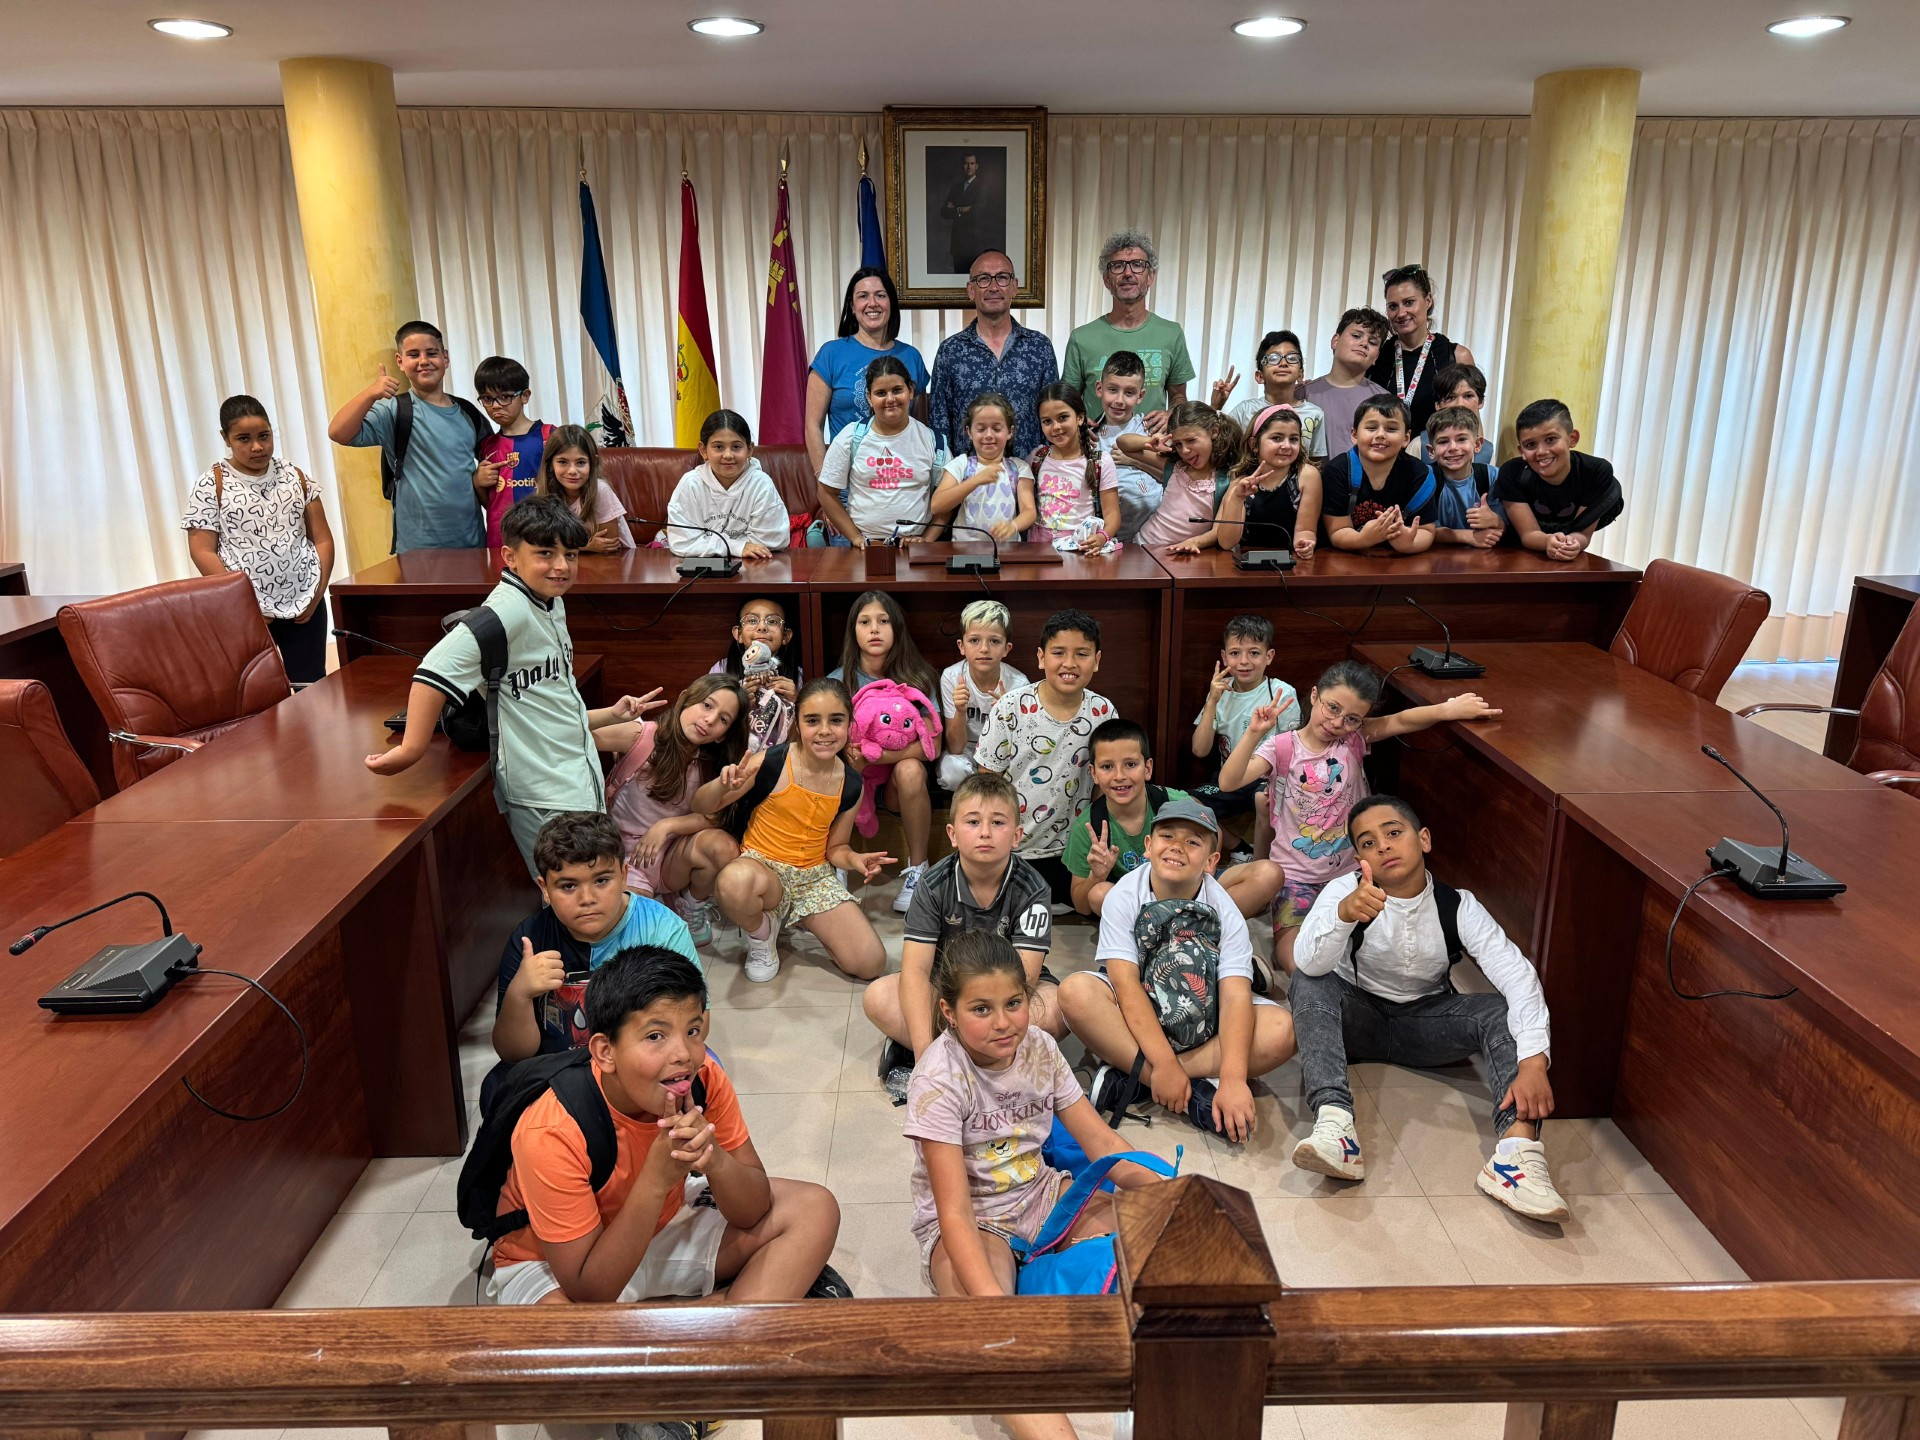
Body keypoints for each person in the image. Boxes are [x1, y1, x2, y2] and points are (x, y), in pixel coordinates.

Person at [487, 947, 842, 1323]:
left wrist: (716, 1160)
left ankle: (689, 1326)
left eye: (692, 1030)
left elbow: (753, 1211)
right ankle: (722, 1319)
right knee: (573, 1336)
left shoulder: (703, 1081)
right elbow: (589, 1290)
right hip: (552, 1264)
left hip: (659, 1225)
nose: (684, 1054)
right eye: (655, 1035)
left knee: (814, 1207)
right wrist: (656, 1181)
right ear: (605, 1052)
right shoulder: (552, 1129)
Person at [905, 932, 1165, 1440]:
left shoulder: (1041, 1047)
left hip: (1044, 1196)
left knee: (1167, 1243)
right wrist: (993, 1308)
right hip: (975, 1221)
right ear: (948, 1011)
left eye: (1014, 1003)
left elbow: (1100, 1144)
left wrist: (1164, 1198)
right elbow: (954, 1212)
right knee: (995, 1342)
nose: (1003, 1022)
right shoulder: (936, 1080)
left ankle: (1150, 1396)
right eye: (981, 1008)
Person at [1292, 794, 1568, 1223]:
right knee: (1310, 980)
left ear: (1423, 840)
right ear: (1358, 858)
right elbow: (1307, 962)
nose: (1382, 846)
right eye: (1367, 843)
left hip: (1426, 1024)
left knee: (1497, 1009)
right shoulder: (1345, 891)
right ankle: (1335, 1125)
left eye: (1393, 833)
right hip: (1358, 1017)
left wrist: (1533, 1061)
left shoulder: (1458, 905)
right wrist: (1345, 915)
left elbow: (1517, 974)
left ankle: (1516, 1155)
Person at [366, 496, 650, 877]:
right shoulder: (506, 611)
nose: (562, 566)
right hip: (543, 789)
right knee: (578, 892)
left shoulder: (549, 600)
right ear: (510, 556)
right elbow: (432, 672)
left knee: (591, 888)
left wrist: (607, 715)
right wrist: (411, 749)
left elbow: (545, 700)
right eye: (545, 553)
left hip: (571, 772)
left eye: (571, 554)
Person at [1216, 660, 1500, 968]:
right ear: (1314, 696)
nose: (1338, 723)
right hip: (1296, 876)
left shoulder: (1353, 739)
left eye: (1352, 718)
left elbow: (1400, 721)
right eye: (1332, 708)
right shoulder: (1283, 747)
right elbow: (1228, 781)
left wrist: (1449, 709)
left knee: (1374, 951)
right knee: (1295, 962)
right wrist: (1254, 734)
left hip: (1349, 875)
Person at [1059, 799, 1297, 1141]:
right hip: (1142, 1006)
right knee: (1075, 993)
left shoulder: (1225, 910)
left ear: (1212, 861)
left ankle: (1138, 1079)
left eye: (1193, 842)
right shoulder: (1123, 895)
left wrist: (1232, 1080)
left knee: (1283, 1031)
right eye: (1167, 835)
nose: (1177, 847)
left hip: (1205, 1013)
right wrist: (1165, 1065)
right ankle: (1186, 1087)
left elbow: (1233, 996)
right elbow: (1125, 986)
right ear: (1148, 846)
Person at [863, 772, 1064, 1097]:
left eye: (998, 823)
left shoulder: (1034, 888)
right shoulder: (932, 884)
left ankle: (959, 1055)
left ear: (1016, 836)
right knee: (878, 996)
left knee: (1059, 1008)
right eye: (973, 822)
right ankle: (946, 1055)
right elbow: (915, 971)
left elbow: (1025, 977)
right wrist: (925, 1055)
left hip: (1007, 996)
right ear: (953, 834)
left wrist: (987, 1016)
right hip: (949, 994)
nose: (985, 832)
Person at [699, 678, 893, 983]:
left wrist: (854, 859)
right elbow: (703, 805)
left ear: (849, 724)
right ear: (798, 723)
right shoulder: (772, 761)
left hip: (812, 878)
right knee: (733, 881)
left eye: (836, 720)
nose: (825, 730)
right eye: (813, 720)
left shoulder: (851, 783)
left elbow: (835, 849)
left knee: (871, 963)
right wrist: (721, 785)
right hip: (761, 868)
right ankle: (762, 934)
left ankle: (800, 918)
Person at [491, 813, 701, 1065]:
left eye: (601, 880)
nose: (587, 898)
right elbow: (513, 1054)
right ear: (545, 888)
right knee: (496, 1088)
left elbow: (696, 1024)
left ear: (624, 875)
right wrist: (520, 994)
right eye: (568, 886)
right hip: (558, 1073)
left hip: (641, 1068)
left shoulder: (663, 930)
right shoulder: (530, 941)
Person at [183, 394, 335, 687]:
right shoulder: (210, 484)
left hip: (304, 603)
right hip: (247, 612)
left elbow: (323, 540)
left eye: (264, 436)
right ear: (225, 438)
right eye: (244, 438)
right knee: (257, 692)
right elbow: (202, 551)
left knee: (312, 688)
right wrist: (244, 604)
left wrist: (316, 595)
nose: (257, 446)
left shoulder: (296, 476)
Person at [974, 608, 1115, 905]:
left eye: (1082, 654)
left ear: (1098, 661)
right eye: (1059, 652)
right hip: (1014, 849)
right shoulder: (1011, 708)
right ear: (1041, 657)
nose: (1069, 664)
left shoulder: (1103, 712)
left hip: (1070, 850)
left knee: (1095, 901)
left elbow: (1105, 786)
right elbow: (987, 782)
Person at [598, 673, 749, 946]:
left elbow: (714, 817)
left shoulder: (712, 763)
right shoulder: (642, 736)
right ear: (684, 700)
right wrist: (611, 714)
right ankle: (648, 898)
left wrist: (666, 826)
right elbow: (570, 729)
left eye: (724, 719)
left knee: (723, 846)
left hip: (669, 854)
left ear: (723, 736)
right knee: (633, 933)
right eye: (706, 705)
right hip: (623, 856)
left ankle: (688, 905)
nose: (710, 720)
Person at [328, 319, 497, 552]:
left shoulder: (468, 413)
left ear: (445, 358)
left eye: (432, 353)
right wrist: (370, 394)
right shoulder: (394, 410)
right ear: (400, 361)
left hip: (472, 544)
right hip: (416, 549)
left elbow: (495, 465)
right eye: (413, 355)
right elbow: (338, 432)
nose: (424, 361)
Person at [827, 591, 940, 909]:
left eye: (883, 621)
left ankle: (919, 871)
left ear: (897, 628)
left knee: (911, 768)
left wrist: (880, 756)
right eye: (865, 622)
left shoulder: (918, 678)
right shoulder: (839, 681)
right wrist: (855, 757)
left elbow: (934, 745)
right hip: (854, 781)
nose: (874, 629)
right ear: (853, 631)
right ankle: (837, 867)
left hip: (896, 785)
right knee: (838, 767)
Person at [927, 253, 1060, 460]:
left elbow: (1053, 413)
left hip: (1029, 478)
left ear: (1014, 286)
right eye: (983, 279)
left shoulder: (1039, 347)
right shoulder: (950, 351)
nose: (994, 287)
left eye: (1002, 278)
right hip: (969, 481)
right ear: (971, 290)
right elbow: (939, 423)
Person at [1059, 230, 1195, 428]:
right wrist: (1077, 423)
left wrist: (1171, 413)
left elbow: (1179, 396)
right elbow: (1067, 402)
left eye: (1138, 265)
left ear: (1150, 277)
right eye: (1118, 266)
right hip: (1096, 450)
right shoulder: (1082, 338)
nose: (1128, 273)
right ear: (1106, 280)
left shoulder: (1171, 334)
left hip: (1150, 452)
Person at [1189, 614, 1298, 861]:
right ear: (1224, 657)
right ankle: (1239, 848)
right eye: (1235, 653)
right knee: (1189, 802)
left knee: (1263, 799)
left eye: (1254, 653)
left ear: (1268, 657)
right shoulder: (1221, 691)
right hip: (1229, 779)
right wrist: (1213, 700)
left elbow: (1292, 751)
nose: (1244, 662)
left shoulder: (1281, 693)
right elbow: (1200, 750)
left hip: (1265, 779)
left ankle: (1259, 865)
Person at [805, 267, 930, 478]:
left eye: (880, 295)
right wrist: (824, 483)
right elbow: (812, 426)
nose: (872, 303)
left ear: (890, 303)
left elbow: (919, 428)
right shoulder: (831, 354)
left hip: (901, 480)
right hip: (846, 481)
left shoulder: (911, 357)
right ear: (853, 307)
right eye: (863, 296)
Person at [1064, 718, 1190, 916]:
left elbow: (1212, 828)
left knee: (1258, 874)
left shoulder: (1172, 803)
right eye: (1107, 767)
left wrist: (1201, 868)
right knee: (1099, 894)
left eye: (1130, 764)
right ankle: (1155, 929)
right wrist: (1097, 876)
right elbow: (1082, 906)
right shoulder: (1087, 827)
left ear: (1147, 768)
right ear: (1094, 773)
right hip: (1132, 909)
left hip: (1180, 894)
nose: (1119, 776)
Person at [815, 356, 940, 548]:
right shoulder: (850, 437)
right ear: (869, 398)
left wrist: (927, 540)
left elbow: (948, 497)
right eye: (881, 393)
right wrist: (856, 538)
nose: (890, 399)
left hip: (913, 547)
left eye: (897, 390)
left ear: (911, 391)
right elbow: (825, 492)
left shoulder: (933, 441)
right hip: (863, 547)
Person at [1170, 404, 1321, 560]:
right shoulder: (1240, 479)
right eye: (1277, 438)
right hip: (1246, 565)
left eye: (1294, 439)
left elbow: (1305, 530)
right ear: (1254, 444)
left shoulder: (1307, 475)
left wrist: (1305, 543)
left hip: (1290, 563)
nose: (1286, 446)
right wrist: (1237, 498)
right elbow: (1226, 542)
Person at [1495, 398, 1625, 561]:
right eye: (1530, 445)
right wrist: (1548, 541)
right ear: (1521, 451)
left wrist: (1572, 544)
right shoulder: (1512, 473)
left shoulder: (1596, 472)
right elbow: (1529, 534)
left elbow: (1583, 533)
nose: (1541, 451)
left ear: (1572, 438)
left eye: (1550, 439)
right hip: (1525, 556)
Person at [1367, 264, 1479, 438]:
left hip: (1439, 459)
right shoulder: (1377, 356)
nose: (1401, 313)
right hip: (1383, 456)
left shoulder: (1456, 356)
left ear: (1428, 301)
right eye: (1393, 306)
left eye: (1409, 302)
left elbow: (1473, 423)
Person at [1320, 395, 1439, 554]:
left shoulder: (1420, 474)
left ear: (1406, 438)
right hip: (1346, 559)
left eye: (1391, 429)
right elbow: (1337, 531)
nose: (1381, 435)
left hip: (1398, 562)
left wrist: (1408, 543)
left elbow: (1427, 530)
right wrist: (1364, 539)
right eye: (1371, 428)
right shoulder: (1336, 471)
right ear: (1354, 435)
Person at [1118, 402, 1241, 552]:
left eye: (1191, 440)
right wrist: (1147, 442)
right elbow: (1123, 444)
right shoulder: (1176, 467)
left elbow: (1219, 531)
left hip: (1183, 554)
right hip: (1143, 544)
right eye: (1178, 444)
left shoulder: (1227, 480)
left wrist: (1195, 542)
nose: (1185, 451)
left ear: (1214, 431)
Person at [666, 409, 789, 559]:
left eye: (736, 447)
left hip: (753, 568)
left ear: (750, 449)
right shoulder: (691, 484)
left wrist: (710, 545)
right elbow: (682, 542)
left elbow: (772, 540)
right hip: (703, 572)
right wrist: (736, 547)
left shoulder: (761, 484)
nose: (728, 455)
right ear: (703, 450)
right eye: (718, 447)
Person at [937, 599, 1028, 791]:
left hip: (1001, 752)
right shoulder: (952, 677)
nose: (984, 649)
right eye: (974, 640)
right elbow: (955, 747)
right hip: (967, 750)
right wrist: (960, 711)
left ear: (1006, 648)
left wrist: (1003, 719)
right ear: (961, 646)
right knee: (951, 771)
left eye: (994, 641)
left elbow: (1019, 746)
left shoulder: (1018, 684)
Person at [929, 392, 1036, 543]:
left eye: (997, 429)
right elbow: (936, 505)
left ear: (1010, 432)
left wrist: (1014, 525)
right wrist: (976, 480)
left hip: (1007, 553)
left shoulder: (1019, 468)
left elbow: (1029, 511)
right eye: (981, 429)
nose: (989, 435)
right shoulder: (961, 465)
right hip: (964, 552)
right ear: (969, 432)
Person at [1028, 382, 1122, 549]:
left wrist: (1102, 537)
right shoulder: (1037, 458)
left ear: (1080, 417)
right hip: (1038, 550)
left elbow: (1112, 514)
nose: (1056, 427)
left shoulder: (1100, 462)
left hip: (1080, 548)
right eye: (1047, 421)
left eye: (1063, 417)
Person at [473, 356, 554, 550]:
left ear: (525, 396)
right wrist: (477, 482)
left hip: (542, 538)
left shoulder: (549, 436)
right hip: (498, 541)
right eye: (487, 398)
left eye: (505, 396)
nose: (495, 405)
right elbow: (491, 501)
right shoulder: (487, 445)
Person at [1211, 330, 1329, 461]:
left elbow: (1314, 462)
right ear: (1259, 376)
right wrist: (1215, 406)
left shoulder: (1314, 414)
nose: (1284, 363)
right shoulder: (1245, 410)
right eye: (1273, 358)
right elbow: (1216, 446)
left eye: (1292, 358)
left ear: (1300, 374)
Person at [711, 597, 802, 752]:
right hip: (732, 755)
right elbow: (709, 720)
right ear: (738, 634)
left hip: (780, 756)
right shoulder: (722, 669)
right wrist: (737, 703)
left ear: (786, 636)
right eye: (752, 621)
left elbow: (805, 728)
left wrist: (797, 700)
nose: (761, 627)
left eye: (772, 621)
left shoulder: (796, 674)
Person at [1091, 351, 1163, 542]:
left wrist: (1135, 459)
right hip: (1105, 538)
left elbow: (1171, 476)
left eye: (1129, 393)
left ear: (1140, 396)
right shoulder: (1090, 435)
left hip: (1152, 535)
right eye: (1112, 390)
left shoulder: (1151, 429)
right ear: (1099, 388)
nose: (1119, 400)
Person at [1303, 309, 1389, 461]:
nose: (1363, 343)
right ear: (1335, 341)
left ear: (1376, 356)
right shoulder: (1303, 394)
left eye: (1373, 342)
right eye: (1356, 336)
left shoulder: (1384, 401)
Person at [536, 424, 632, 553]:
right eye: (563, 462)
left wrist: (565, 546)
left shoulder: (600, 490)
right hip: (575, 560)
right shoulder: (545, 492)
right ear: (550, 464)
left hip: (618, 559)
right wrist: (585, 546)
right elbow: (540, 541)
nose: (572, 471)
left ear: (593, 463)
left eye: (580, 462)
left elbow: (609, 545)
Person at [1426, 405, 1506, 549]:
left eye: (1462, 439)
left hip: (1483, 559)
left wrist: (1496, 520)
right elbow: (1423, 529)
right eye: (1443, 442)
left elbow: (1511, 527)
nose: (1453, 448)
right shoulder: (1425, 478)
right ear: (1431, 451)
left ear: (1477, 444)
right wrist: (1470, 536)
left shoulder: (1492, 476)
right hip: (1434, 559)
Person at [1418, 362, 1495, 466]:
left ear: (1480, 402)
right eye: (1451, 397)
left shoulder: (1487, 451)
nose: (1460, 404)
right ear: (1438, 405)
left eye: (1468, 396)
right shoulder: (1419, 445)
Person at [938, 151, 1002, 274]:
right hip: (958, 243)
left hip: (974, 243)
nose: (969, 166)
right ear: (962, 166)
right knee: (958, 278)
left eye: (972, 163)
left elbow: (977, 211)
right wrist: (962, 209)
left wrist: (956, 208)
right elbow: (944, 212)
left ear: (976, 166)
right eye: (966, 163)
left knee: (975, 279)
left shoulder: (983, 186)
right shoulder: (956, 187)